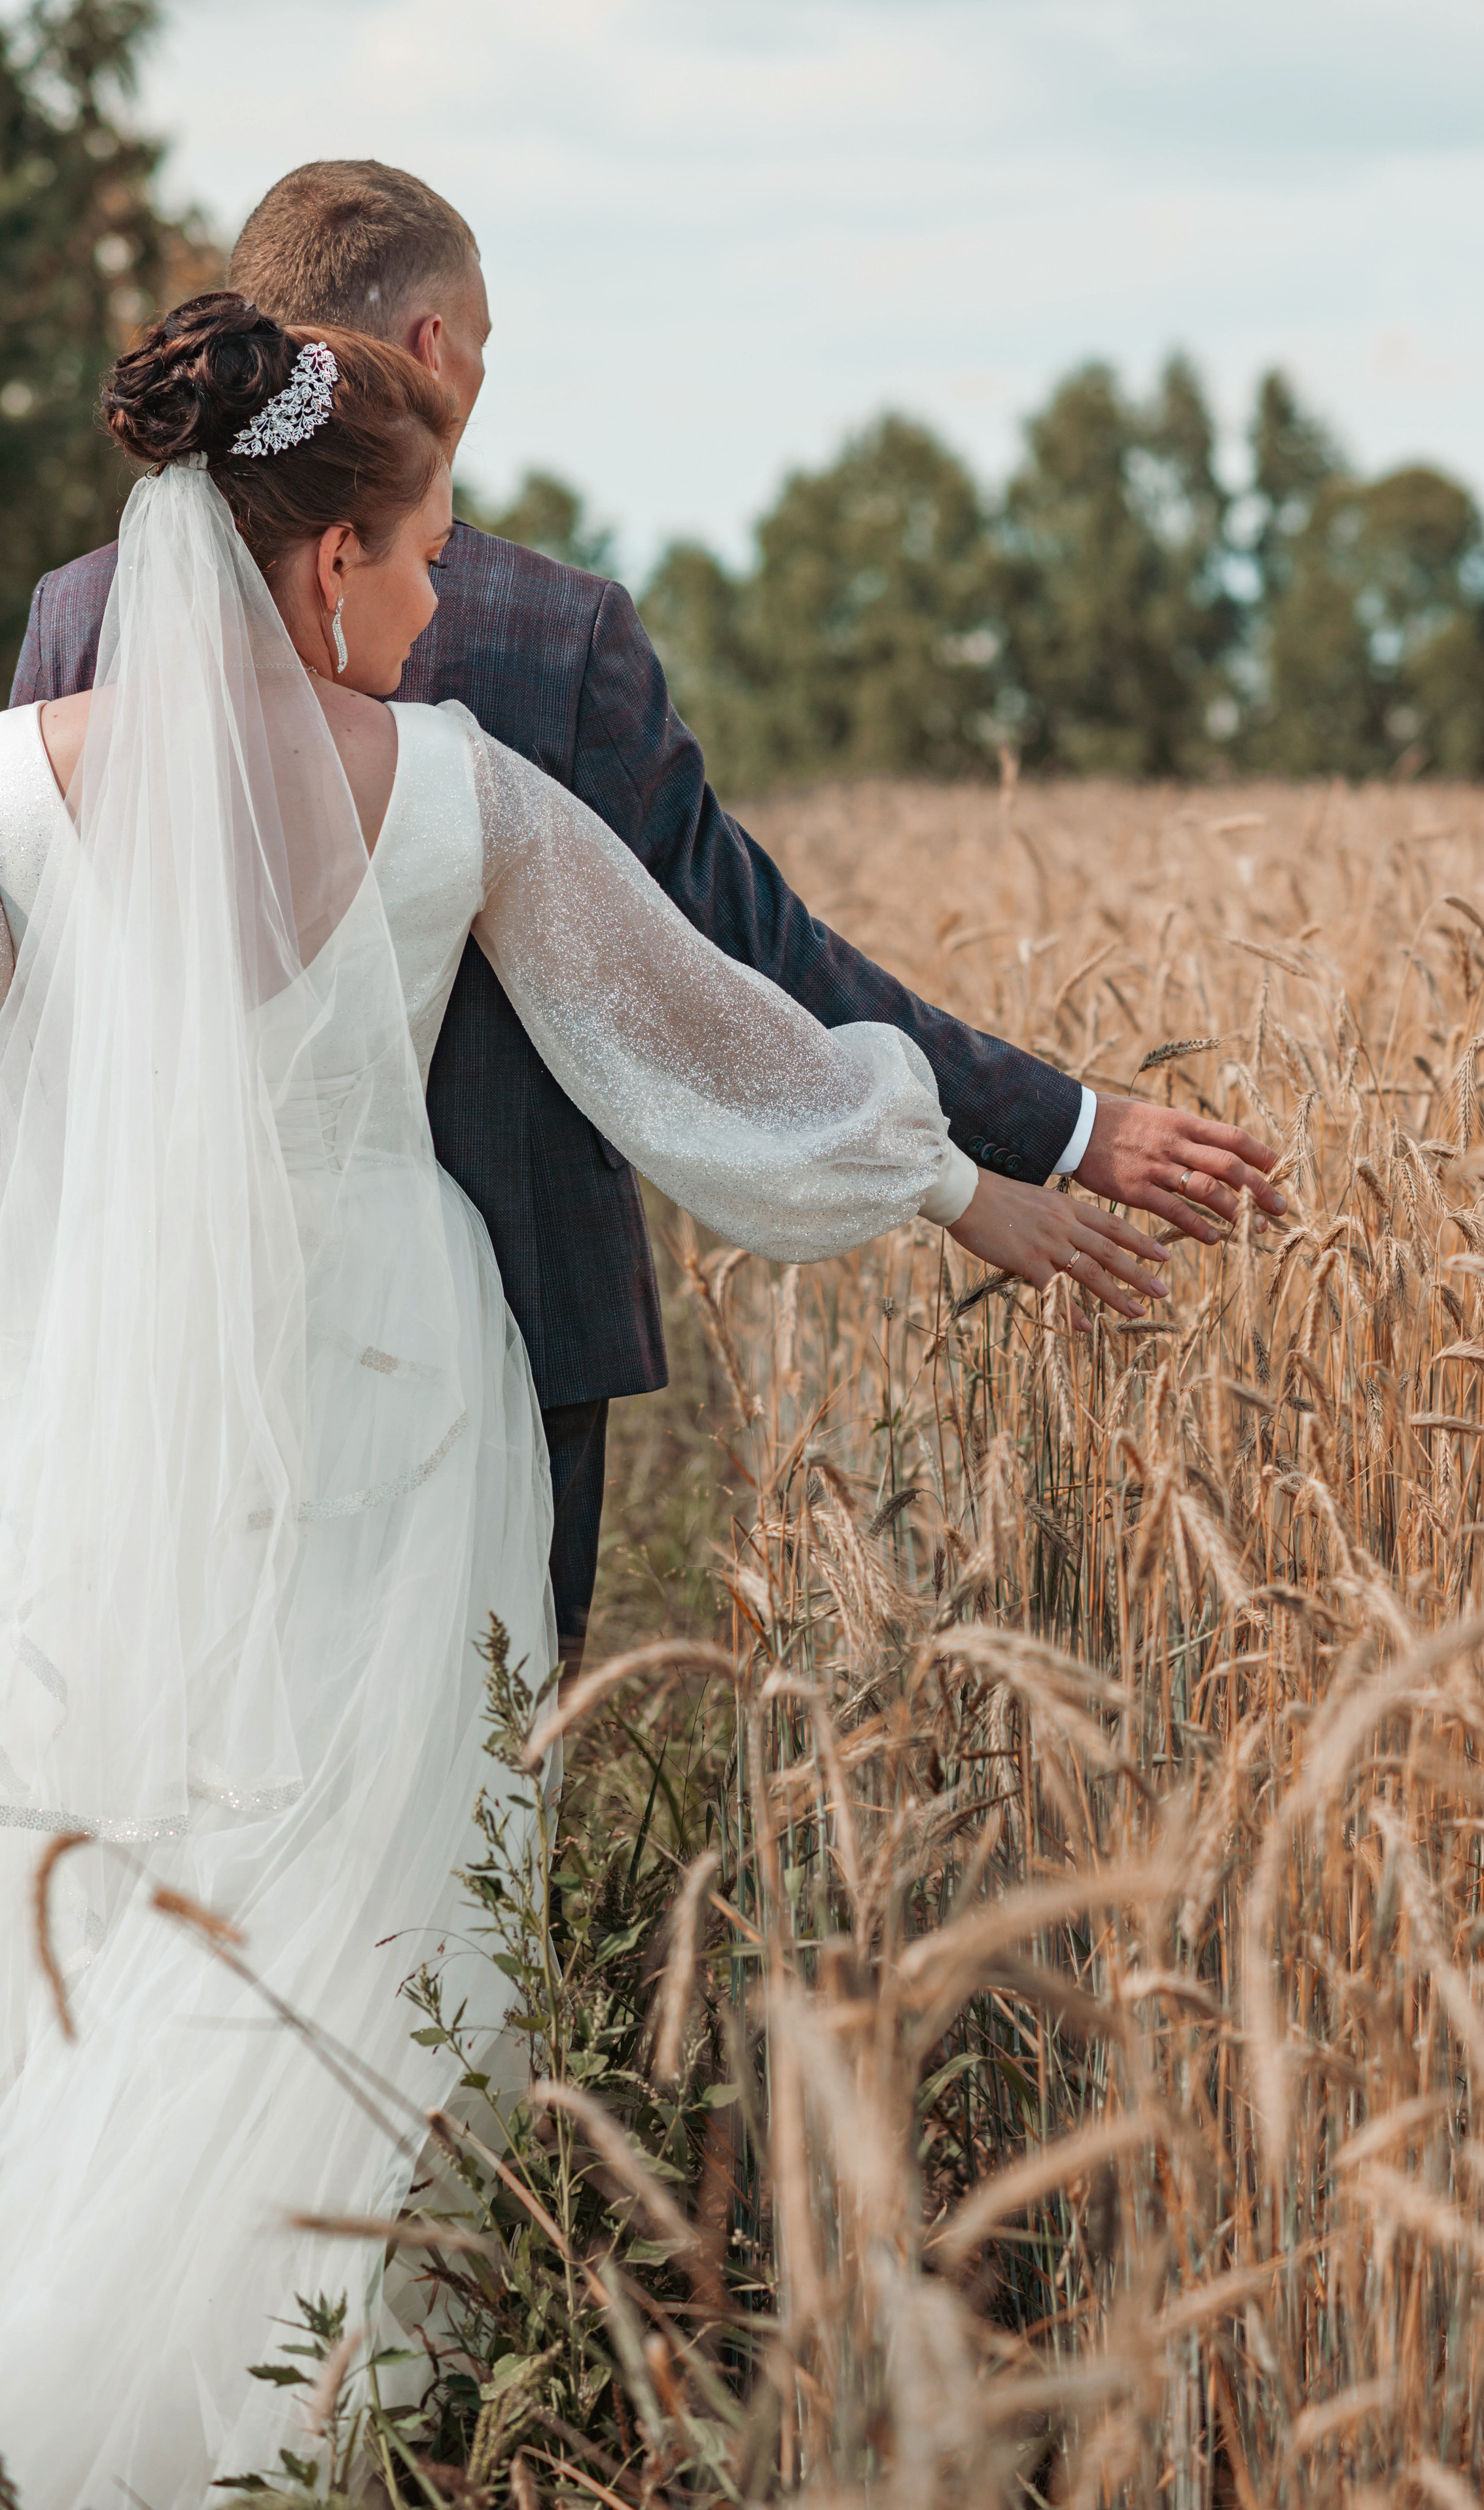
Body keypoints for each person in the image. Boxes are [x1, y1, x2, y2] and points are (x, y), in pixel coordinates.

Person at [0, 297, 1197, 2500]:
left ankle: (87, 2320)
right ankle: (340, 2372)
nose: (450, 593)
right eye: (427, 546)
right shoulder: (457, 790)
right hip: (398, 1378)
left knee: (140, 1802)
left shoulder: (13, 784)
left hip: (104, 1366)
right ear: (328, 563)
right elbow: (717, 1044)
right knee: (377, 1851)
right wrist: (963, 1183)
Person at [11, 160, 1286, 1670]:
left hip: (133, 1327)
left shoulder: (82, 621)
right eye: (480, 341)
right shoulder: (547, 642)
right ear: (424, 350)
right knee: (470, 1803)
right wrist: (1031, 1135)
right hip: (476, 1337)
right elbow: (734, 947)